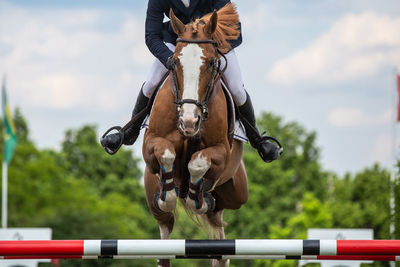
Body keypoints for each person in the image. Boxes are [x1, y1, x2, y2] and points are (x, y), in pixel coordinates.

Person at [101, 0, 281, 162]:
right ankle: (129, 132)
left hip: (213, 43)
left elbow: (228, 20)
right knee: (151, 83)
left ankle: (258, 141)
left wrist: (206, 51)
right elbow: (152, 36)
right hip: (178, 44)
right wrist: (169, 59)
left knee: (236, 88)